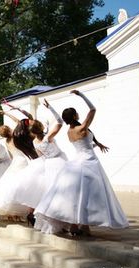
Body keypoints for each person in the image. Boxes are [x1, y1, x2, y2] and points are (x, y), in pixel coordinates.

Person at [34, 90, 128, 235]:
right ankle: (82, 225)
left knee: (78, 195)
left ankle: (78, 226)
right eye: (76, 113)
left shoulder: (69, 131)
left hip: (77, 161)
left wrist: (98, 144)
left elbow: (83, 144)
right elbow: (93, 109)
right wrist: (81, 95)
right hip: (89, 162)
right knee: (90, 195)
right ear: (74, 116)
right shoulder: (81, 128)